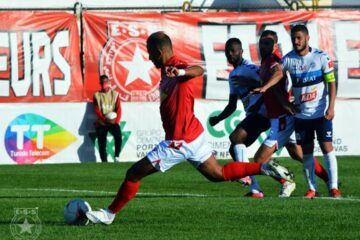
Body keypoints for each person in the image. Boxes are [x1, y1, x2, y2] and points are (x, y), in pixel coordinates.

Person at [85, 31, 294, 224]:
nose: (149, 58)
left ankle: (108, 214)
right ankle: (265, 167)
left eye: (150, 53)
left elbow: (198, 70)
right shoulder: (166, 70)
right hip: (193, 135)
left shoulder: (176, 66)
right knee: (217, 174)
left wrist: (181, 71)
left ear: (159, 52)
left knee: (133, 173)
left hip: (179, 140)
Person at [256, 25, 341, 198]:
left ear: (308, 38)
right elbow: (278, 76)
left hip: (320, 113)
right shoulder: (288, 59)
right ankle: (312, 188)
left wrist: (331, 107)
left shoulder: (321, 57)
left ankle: (333, 187)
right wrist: (284, 102)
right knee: (306, 153)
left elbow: (331, 82)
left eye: (299, 38)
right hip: (301, 116)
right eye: (293, 38)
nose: (296, 41)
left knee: (327, 148)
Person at [209, 38, 269, 189]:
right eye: (227, 51)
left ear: (241, 52)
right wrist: (218, 119)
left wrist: (260, 105)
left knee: (236, 137)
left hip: (263, 113)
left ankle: (246, 177)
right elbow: (232, 105)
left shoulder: (250, 68)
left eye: (233, 51)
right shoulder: (233, 75)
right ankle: (257, 189)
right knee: (234, 148)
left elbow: (267, 86)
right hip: (255, 115)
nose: (230, 54)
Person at [93, 75, 122, 163]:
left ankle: (116, 156)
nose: (104, 84)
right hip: (102, 122)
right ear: (100, 84)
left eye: (106, 82)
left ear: (109, 82)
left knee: (118, 137)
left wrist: (115, 121)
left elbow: (119, 109)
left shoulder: (115, 94)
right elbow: (97, 110)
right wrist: (105, 120)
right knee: (102, 142)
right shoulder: (96, 95)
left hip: (113, 122)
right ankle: (104, 161)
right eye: (102, 82)